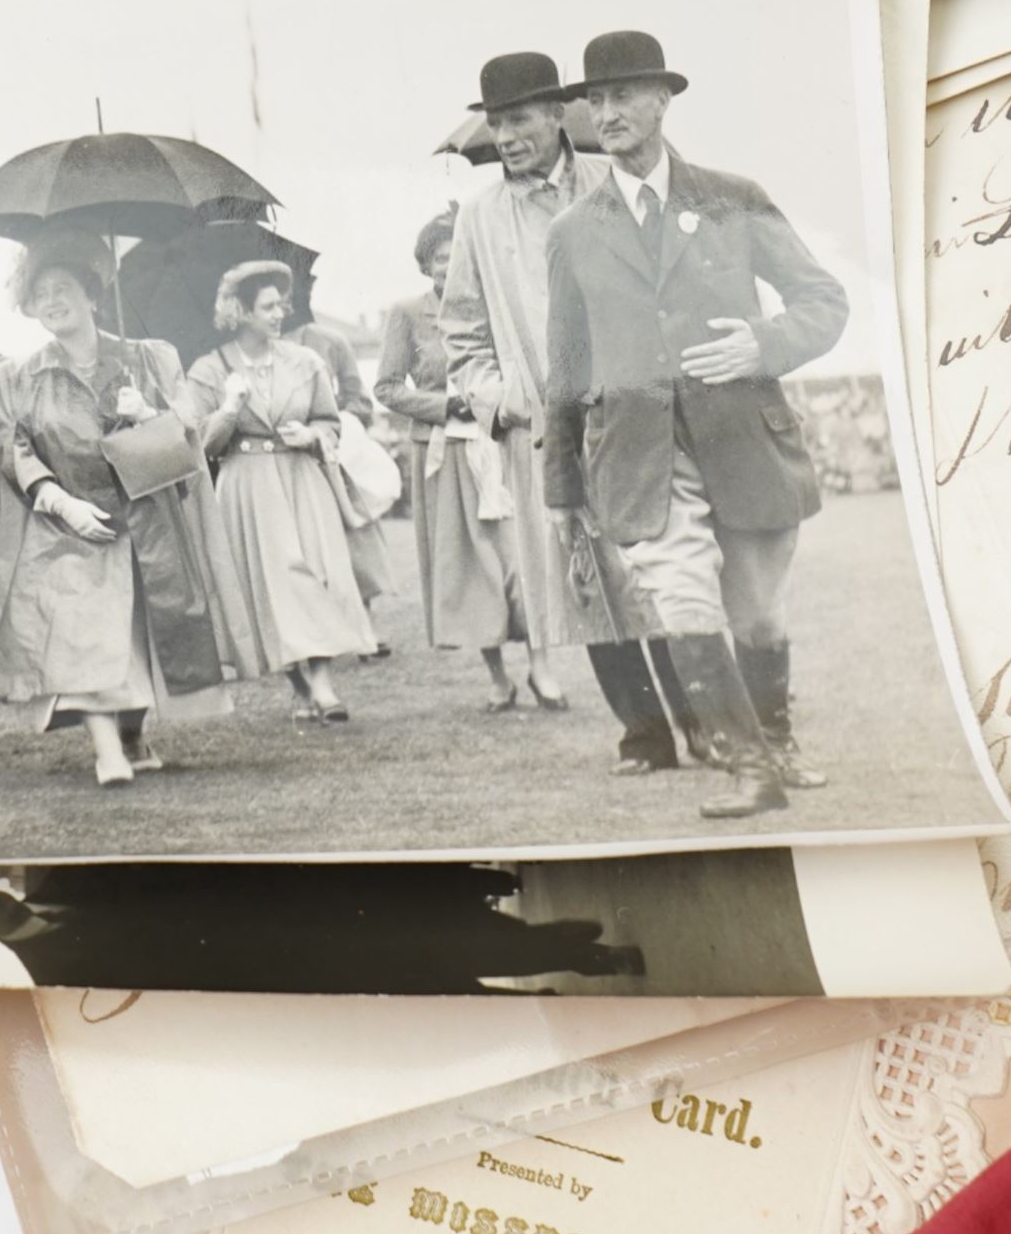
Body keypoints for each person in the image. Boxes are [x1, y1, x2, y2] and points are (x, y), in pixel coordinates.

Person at [544, 32, 848, 818]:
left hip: (746, 440)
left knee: (756, 613)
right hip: (642, 456)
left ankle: (776, 740)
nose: (605, 113)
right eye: (596, 100)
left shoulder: (731, 198)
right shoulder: (574, 231)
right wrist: (562, 488)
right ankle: (749, 766)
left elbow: (824, 302)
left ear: (662, 100)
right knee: (682, 599)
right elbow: (568, 370)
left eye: (620, 96)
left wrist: (764, 343)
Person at [439, 51, 704, 771]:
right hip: (542, 436)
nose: (508, 135)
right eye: (496, 123)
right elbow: (460, 329)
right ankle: (643, 734)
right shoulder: (478, 217)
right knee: (589, 590)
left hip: (632, 423)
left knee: (657, 576)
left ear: (559, 115)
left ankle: (700, 721)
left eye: (520, 118)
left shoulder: (610, 184)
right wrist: (502, 399)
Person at [0, 229, 247, 787]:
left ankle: (130, 733)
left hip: (145, 521)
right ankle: (109, 753)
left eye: (64, 288)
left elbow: (188, 440)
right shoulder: (16, 375)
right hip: (68, 527)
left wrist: (145, 411)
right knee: (83, 637)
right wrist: (58, 500)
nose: (52, 301)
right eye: (40, 293)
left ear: (94, 295)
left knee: (140, 638)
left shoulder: (148, 359)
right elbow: (13, 448)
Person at [0, 863, 647, 992]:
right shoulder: (55, 977)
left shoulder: (72, 882)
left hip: (281, 911)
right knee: (429, 962)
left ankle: (560, 945)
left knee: (423, 925)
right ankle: (584, 958)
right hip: (281, 966)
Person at [376, 212, 557, 711]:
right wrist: (444, 405)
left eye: (459, 256)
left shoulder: (501, 306)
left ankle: (543, 669)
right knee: (473, 567)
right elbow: (387, 388)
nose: (450, 267)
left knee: (527, 556)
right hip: (446, 452)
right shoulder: (408, 313)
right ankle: (498, 678)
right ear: (425, 265)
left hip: (505, 443)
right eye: (440, 259)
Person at [185, 262, 374, 721]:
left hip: (301, 481)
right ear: (241, 311)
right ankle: (302, 685)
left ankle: (325, 685)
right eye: (268, 306)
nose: (279, 314)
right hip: (246, 486)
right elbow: (199, 444)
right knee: (269, 586)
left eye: (281, 305)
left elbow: (330, 420)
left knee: (314, 573)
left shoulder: (306, 362)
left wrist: (313, 436)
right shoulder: (210, 369)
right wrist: (228, 409)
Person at [285, 316, 396, 660]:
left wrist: (327, 421)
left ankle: (366, 624)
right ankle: (316, 632)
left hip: (333, 452)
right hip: (286, 456)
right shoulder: (252, 349)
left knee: (355, 539)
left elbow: (359, 401)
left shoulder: (330, 341)